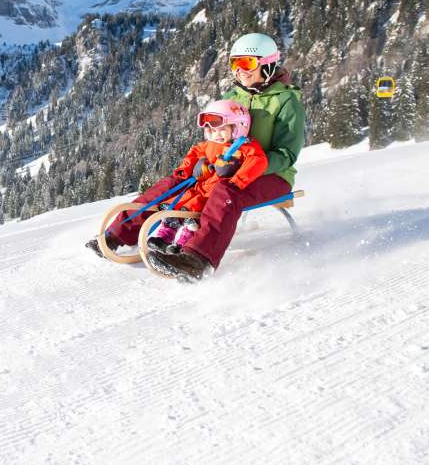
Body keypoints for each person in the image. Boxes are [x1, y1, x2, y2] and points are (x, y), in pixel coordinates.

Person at [87, 32, 306, 282]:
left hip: (271, 175)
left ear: (267, 64)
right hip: (222, 169)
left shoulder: (286, 102)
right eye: (235, 63)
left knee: (226, 192)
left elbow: (286, 155)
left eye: (248, 63)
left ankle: (198, 258)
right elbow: (215, 138)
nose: (240, 70)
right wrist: (203, 161)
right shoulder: (233, 97)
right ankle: (118, 234)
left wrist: (242, 166)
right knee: (175, 183)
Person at [146, 100, 268, 255]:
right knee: (177, 208)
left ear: (238, 126)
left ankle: (183, 245)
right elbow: (196, 152)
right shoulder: (211, 144)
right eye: (212, 131)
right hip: (200, 187)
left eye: (222, 129)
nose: (217, 135)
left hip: (216, 192)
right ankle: (164, 238)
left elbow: (258, 161)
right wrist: (188, 169)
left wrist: (236, 181)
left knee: (193, 216)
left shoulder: (245, 147)